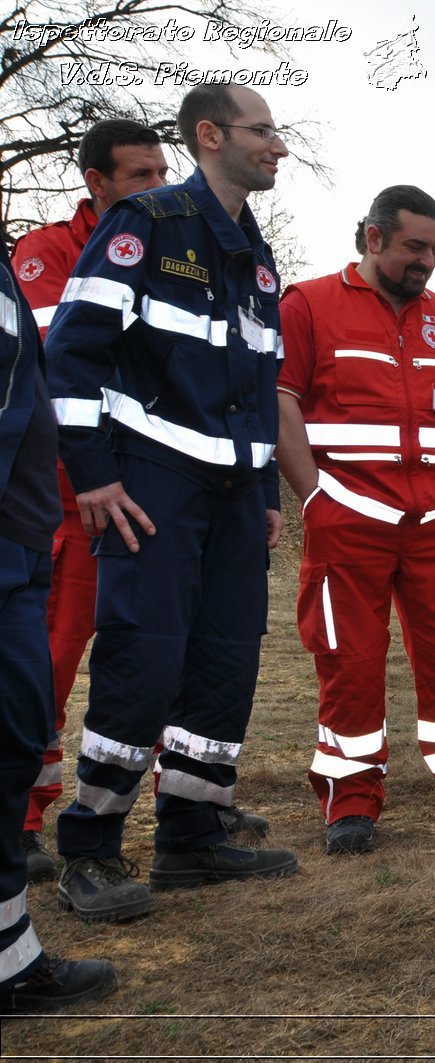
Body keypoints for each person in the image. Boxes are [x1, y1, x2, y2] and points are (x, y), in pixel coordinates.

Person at [47, 84, 298, 923]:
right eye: (264, 132)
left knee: (226, 662)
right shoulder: (146, 224)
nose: (279, 147)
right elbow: (73, 354)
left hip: (234, 499)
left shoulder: (257, 257)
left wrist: (264, 491)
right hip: (151, 485)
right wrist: (91, 472)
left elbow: (259, 382)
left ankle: (191, 834)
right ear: (210, 134)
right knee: (143, 661)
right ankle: (90, 845)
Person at [276, 185, 435, 855]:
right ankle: (350, 802)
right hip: (350, 516)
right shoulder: (307, 305)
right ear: (373, 238)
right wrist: (314, 496)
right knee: (349, 662)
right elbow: (281, 402)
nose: (428, 261)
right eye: (416, 247)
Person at [0, 237, 119, 1013]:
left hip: (25, 543)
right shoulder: (42, 256)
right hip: (30, 538)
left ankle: (11, 958)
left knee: (16, 725)